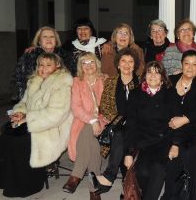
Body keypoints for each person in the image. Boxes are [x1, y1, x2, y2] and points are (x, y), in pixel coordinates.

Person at [0, 53, 73, 197]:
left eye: (48, 65)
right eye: (41, 65)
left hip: (52, 128)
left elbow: (57, 114)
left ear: (57, 66)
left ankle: (29, 184)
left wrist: (28, 119)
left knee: (20, 143)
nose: (43, 68)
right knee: (4, 139)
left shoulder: (62, 82)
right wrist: (19, 113)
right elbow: (24, 102)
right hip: (35, 122)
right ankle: (6, 181)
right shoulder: (34, 81)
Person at [161, 50, 196, 200]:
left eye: (194, 65)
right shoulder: (170, 80)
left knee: (191, 154)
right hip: (172, 130)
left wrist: (184, 119)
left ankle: (191, 194)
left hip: (194, 129)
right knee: (173, 158)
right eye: (187, 64)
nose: (190, 68)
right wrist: (175, 136)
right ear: (181, 65)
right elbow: (166, 107)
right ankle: (171, 194)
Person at [90, 48, 140, 195]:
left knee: (123, 134)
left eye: (130, 62)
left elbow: (143, 108)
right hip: (116, 123)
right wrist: (121, 120)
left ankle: (109, 177)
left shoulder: (141, 82)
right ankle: (127, 184)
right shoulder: (111, 82)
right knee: (120, 134)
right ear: (118, 64)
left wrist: (129, 120)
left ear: (135, 65)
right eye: (123, 61)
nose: (126, 65)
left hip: (137, 124)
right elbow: (104, 106)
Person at [123, 61, 174, 200]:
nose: (153, 75)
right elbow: (130, 124)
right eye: (149, 72)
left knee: (158, 169)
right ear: (144, 75)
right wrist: (128, 152)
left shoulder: (170, 94)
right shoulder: (135, 94)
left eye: (157, 72)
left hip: (163, 141)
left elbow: (176, 121)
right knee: (142, 172)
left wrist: (175, 144)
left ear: (163, 77)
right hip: (143, 142)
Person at [62, 52, 106, 200]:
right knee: (91, 142)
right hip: (82, 120)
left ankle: (76, 175)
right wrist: (91, 121)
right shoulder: (76, 82)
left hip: (103, 120)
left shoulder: (104, 80)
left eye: (91, 62)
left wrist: (97, 120)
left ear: (97, 64)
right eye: (84, 63)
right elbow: (76, 107)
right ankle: (94, 189)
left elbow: (109, 107)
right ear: (80, 67)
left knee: (89, 132)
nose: (88, 66)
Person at [11, 26, 74, 101]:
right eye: (45, 37)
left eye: (52, 37)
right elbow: (20, 81)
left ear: (56, 41)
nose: (48, 39)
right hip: (36, 99)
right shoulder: (30, 55)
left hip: (61, 99)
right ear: (39, 41)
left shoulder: (66, 56)